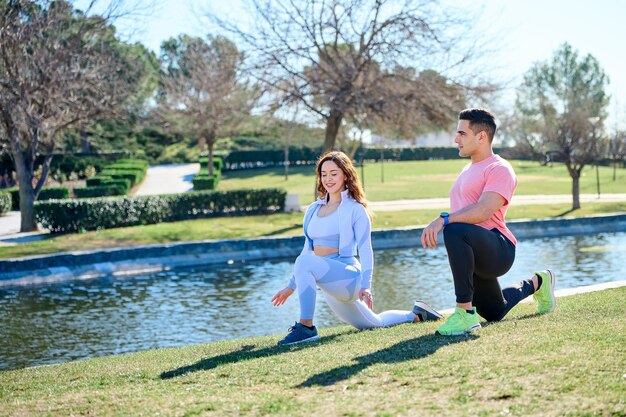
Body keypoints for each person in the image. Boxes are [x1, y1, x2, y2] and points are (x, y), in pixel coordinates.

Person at [272, 151, 442, 345]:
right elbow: (307, 252)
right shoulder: (312, 210)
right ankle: (417, 314)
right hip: (330, 283)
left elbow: (365, 249)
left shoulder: (355, 209)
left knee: (303, 262)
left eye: (334, 173)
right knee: (374, 324)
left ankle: (306, 327)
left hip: (348, 277)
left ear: (345, 174)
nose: (328, 178)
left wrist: (366, 285)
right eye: (324, 174)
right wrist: (291, 286)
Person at [421, 108, 556, 336]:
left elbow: (484, 211)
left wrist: (443, 219)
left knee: (452, 229)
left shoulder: (499, 168)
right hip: (473, 250)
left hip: (499, 248)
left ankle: (464, 313)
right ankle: (539, 282)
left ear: (481, 137)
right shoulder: (467, 169)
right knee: (494, 311)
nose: (456, 139)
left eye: (462, 133)